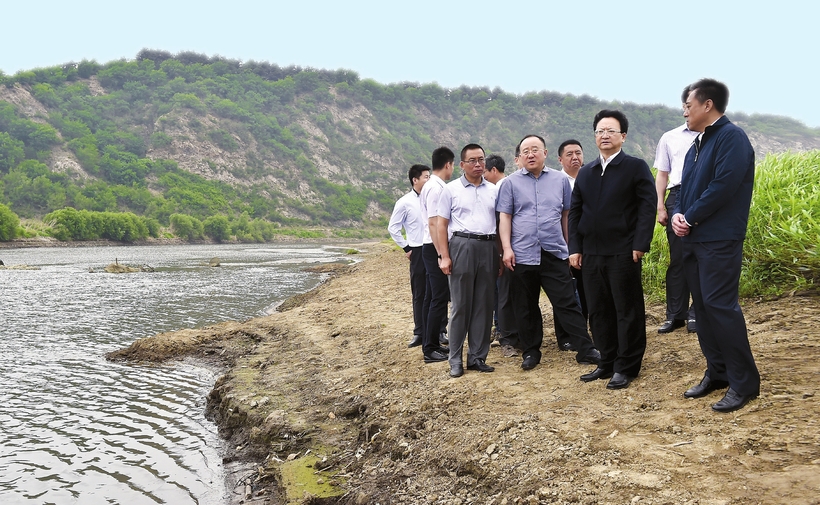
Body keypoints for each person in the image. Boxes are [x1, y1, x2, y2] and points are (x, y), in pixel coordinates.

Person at [672, 78, 760, 413]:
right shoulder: (699, 143)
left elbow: (724, 185)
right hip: (693, 237)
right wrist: (679, 213)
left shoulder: (731, 137)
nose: (685, 111)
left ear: (707, 104)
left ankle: (744, 383)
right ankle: (718, 372)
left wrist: (689, 216)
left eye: (688, 105)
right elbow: (683, 189)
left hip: (719, 238)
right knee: (704, 309)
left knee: (721, 307)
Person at [568, 110, 656, 390]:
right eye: (599, 131)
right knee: (599, 309)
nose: (604, 135)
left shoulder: (635, 167)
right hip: (591, 253)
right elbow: (575, 213)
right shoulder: (587, 172)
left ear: (623, 136)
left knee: (626, 309)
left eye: (610, 131)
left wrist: (640, 243)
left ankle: (627, 365)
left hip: (623, 250)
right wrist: (575, 248)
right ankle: (606, 361)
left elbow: (647, 207)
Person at [497, 135, 601, 372]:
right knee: (525, 305)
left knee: (567, 302)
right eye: (526, 151)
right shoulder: (510, 183)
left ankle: (585, 348)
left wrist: (569, 247)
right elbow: (505, 218)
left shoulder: (560, 181)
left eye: (535, 149)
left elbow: (566, 216)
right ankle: (532, 351)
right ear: (520, 157)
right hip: (522, 254)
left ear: (545, 153)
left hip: (554, 252)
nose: (530, 154)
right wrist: (507, 248)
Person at [436, 143, 499, 378]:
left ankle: (477, 357)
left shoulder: (493, 190)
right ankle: (455, 360)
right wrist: (444, 256)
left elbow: (500, 224)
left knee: (484, 304)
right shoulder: (450, 190)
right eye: (472, 160)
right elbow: (441, 225)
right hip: (462, 245)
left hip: (489, 246)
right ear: (462, 164)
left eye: (481, 159)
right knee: (461, 305)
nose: (478, 164)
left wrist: (500, 255)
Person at [654, 86, 699, 335]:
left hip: (704, 195)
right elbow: (662, 174)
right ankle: (676, 315)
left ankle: (696, 314)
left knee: (702, 257)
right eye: (685, 105)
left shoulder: (716, 136)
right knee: (678, 258)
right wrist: (661, 205)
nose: (686, 110)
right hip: (678, 194)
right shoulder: (670, 137)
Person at [387, 164, 430, 347]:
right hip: (418, 250)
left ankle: (440, 331)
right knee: (419, 292)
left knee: (438, 292)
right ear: (415, 180)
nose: (429, 180)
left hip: (435, 248)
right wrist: (406, 248)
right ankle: (419, 332)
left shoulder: (435, 198)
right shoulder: (404, 202)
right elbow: (393, 228)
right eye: (426, 177)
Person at [482, 154, 520, 358]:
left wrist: (501, 252)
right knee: (510, 294)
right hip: (515, 248)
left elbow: (499, 224)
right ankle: (509, 334)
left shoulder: (500, 188)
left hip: (507, 249)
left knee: (504, 295)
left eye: (485, 171)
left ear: (493, 170)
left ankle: (506, 336)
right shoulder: (513, 183)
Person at [419, 147, 455, 363]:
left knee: (433, 297)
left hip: (432, 247)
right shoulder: (436, 188)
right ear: (448, 164)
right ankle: (430, 348)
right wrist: (442, 254)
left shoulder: (432, 185)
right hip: (434, 248)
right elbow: (434, 223)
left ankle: (429, 343)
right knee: (438, 298)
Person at [554, 139, 588, 350]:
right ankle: (566, 336)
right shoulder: (556, 181)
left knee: (588, 290)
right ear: (560, 159)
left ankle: (585, 332)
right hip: (563, 244)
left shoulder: (590, 175)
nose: (575, 157)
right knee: (565, 293)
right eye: (569, 154)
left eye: (578, 153)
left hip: (588, 243)